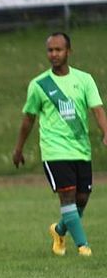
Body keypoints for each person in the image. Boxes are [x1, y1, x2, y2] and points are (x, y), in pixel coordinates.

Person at [12, 32, 107, 257]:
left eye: (58, 49)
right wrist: (18, 149)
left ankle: (59, 230)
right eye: (50, 50)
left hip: (81, 149)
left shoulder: (84, 80)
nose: (54, 54)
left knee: (81, 198)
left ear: (69, 52)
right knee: (67, 196)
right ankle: (83, 246)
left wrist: (106, 132)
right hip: (54, 150)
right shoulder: (39, 85)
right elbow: (28, 119)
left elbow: (97, 109)